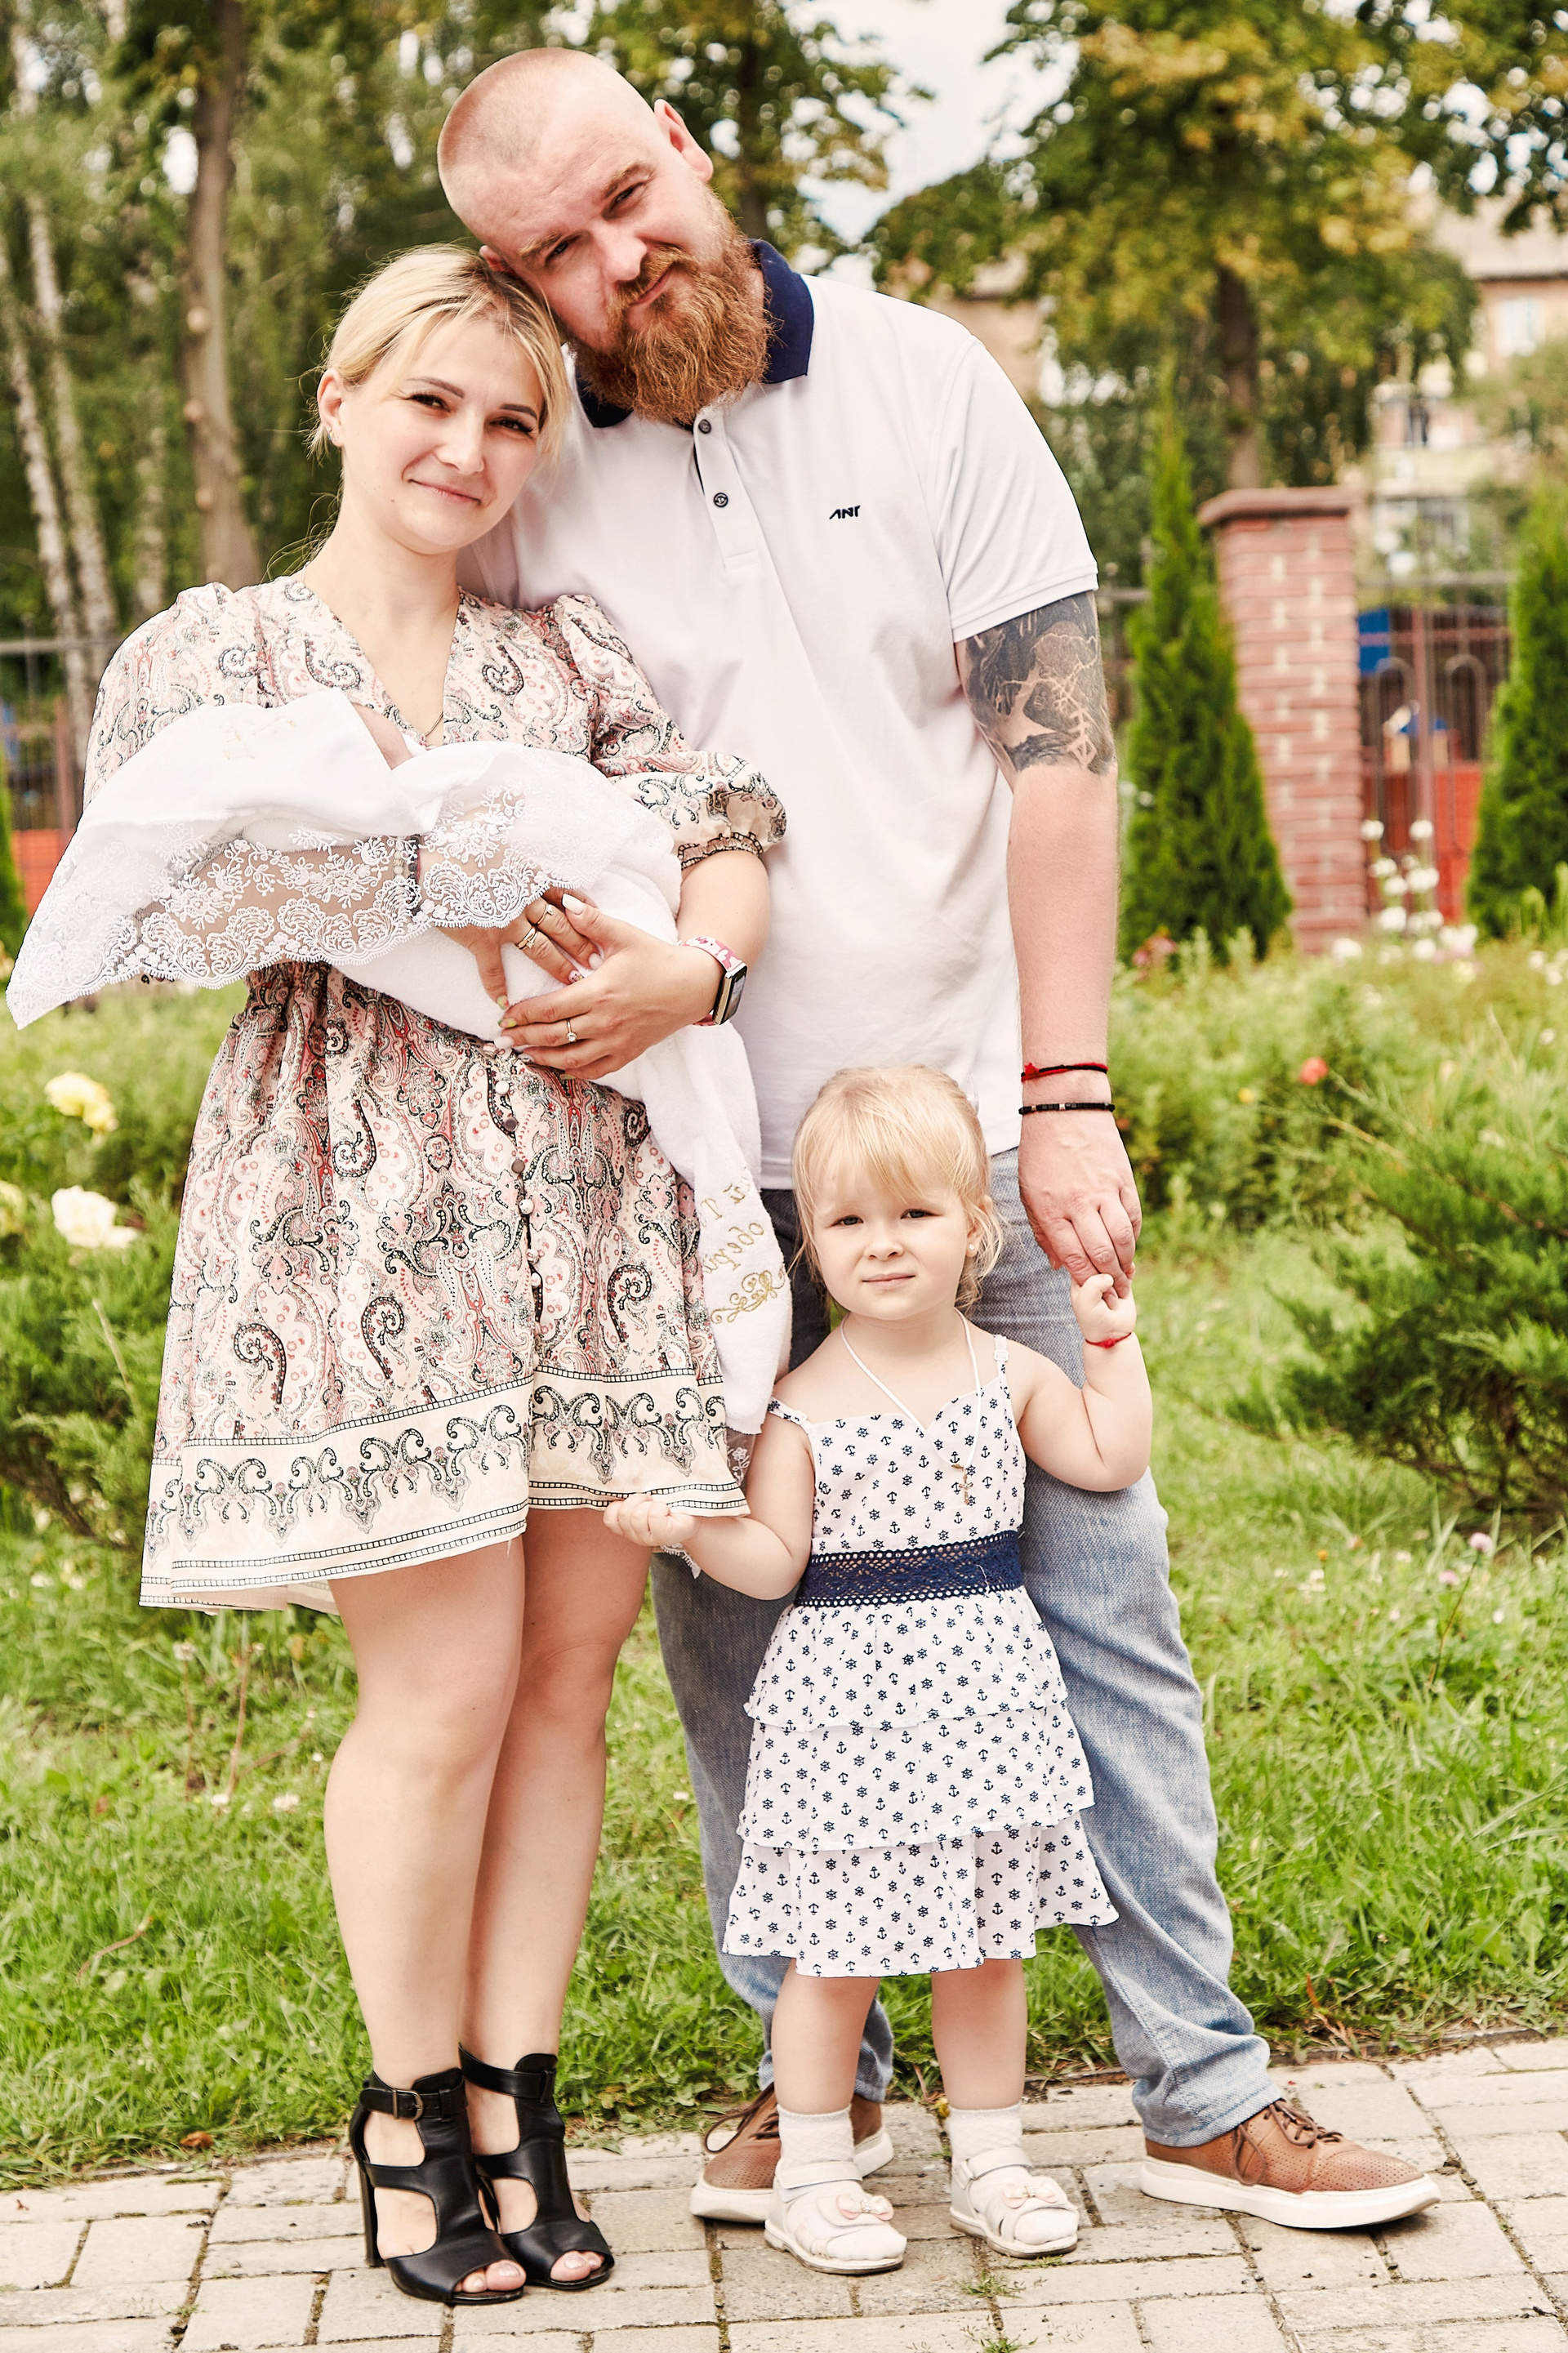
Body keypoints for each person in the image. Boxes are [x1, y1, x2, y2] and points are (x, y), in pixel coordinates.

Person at [437, 47, 1439, 2231]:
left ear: (682, 143)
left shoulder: (927, 381)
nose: (619, 262)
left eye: (626, 198)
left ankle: (1200, 2085)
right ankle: (828, 2087)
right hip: (695, 1163)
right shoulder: (526, 477)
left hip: (959, 1133)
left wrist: (1064, 1095)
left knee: (1099, 1601)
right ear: (519, 281)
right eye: (556, 254)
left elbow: (1054, 753)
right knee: (746, 1644)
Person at [40, 247, 783, 2303]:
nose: (468, 447)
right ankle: (402, 2107)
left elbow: (729, 823)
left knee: (564, 1678)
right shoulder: (220, 655)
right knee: (441, 1687)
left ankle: (516, 2100)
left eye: (512, 418)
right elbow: (158, 898)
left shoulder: (566, 657)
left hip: (590, 1196)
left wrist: (695, 965)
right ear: (340, 401)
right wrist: (430, 892)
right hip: (359, 1200)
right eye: (430, 401)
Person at [608, 1066, 1157, 2273]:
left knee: (987, 1946)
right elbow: (771, 1562)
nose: (884, 1243)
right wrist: (689, 1527)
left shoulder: (1009, 1372)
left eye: (915, 1212)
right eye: (850, 1219)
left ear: (976, 1223)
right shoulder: (800, 1405)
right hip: (847, 1717)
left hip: (986, 1703)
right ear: (813, 1241)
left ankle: (991, 2162)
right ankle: (814, 2172)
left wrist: (1108, 1341)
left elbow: (1108, 1457)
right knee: (835, 1952)